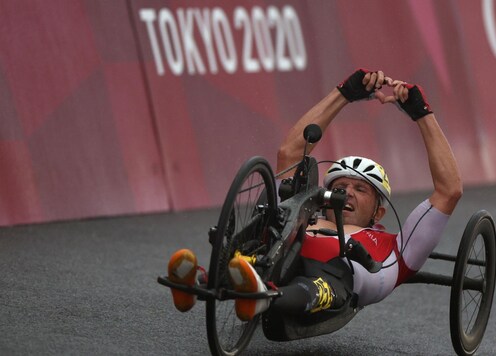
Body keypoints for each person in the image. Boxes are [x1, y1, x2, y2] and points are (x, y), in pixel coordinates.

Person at [166, 69, 462, 321]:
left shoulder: (397, 247)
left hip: (335, 281)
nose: (347, 191)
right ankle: (198, 282)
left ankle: (260, 298)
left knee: (327, 277)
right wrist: (346, 93)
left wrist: (421, 114)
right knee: (270, 222)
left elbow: (449, 191)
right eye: (341, 185)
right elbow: (291, 152)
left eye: (360, 189)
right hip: (283, 259)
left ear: (378, 212)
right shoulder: (302, 213)